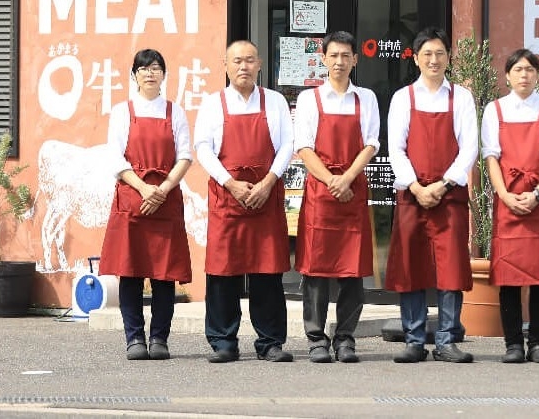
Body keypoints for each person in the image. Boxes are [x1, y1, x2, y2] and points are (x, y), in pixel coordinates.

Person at [194, 40, 295, 363]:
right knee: (223, 273)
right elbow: (203, 148)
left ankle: (270, 342)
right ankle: (224, 341)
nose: (244, 67)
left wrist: (268, 182)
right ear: (225, 66)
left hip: (266, 194)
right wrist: (231, 183)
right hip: (228, 197)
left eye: (250, 60)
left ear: (260, 64)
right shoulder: (213, 104)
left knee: (268, 272)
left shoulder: (275, 101)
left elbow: (287, 146)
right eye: (237, 61)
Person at [385, 27, 478, 364]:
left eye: (440, 53)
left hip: (448, 196)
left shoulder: (462, 98)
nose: (434, 60)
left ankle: (447, 339)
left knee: (450, 267)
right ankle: (413, 338)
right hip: (412, 195)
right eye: (427, 54)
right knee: (412, 265)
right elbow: (395, 147)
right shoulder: (403, 98)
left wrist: (444, 184)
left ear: (449, 57)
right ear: (415, 58)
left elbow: (470, 147)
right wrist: (415, 186)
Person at [99, 48, 193, 361]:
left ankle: (159, 339)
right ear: (134, 75)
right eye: (143, 68)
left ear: (164, 74)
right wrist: (143, 188)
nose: (150, 73)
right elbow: (114, 156)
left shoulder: (174, 112)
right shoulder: (122, 111)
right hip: (132, 197)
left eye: (155, 68)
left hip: (165, 200)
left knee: (164, 275)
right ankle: (134, 338)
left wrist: (162, 189)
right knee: (131, 272)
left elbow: (185, 156)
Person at [293, 30, 380, 364]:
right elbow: (304, 146)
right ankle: (316, 338)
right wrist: (331, 179)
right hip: (321, 190)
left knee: (351, 270)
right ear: (324, 59)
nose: (340, 62)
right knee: (315, 270)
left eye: (347, 56)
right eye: (334, 56)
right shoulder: (309, 99)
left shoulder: (366, 98)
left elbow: (371, 143)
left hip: (352, 188)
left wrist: (347, 178)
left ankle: (345, 338)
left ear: (355, 60)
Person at [482, 48, 539, 365]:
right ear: (507, 75)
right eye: (517, 69)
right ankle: (513, 343)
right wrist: (503, 194)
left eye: (530, 69)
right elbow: (491, 155)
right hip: (507, 200)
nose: (524, 74)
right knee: (508, 276)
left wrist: (538, 193)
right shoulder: (495, 110)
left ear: (538, 75)